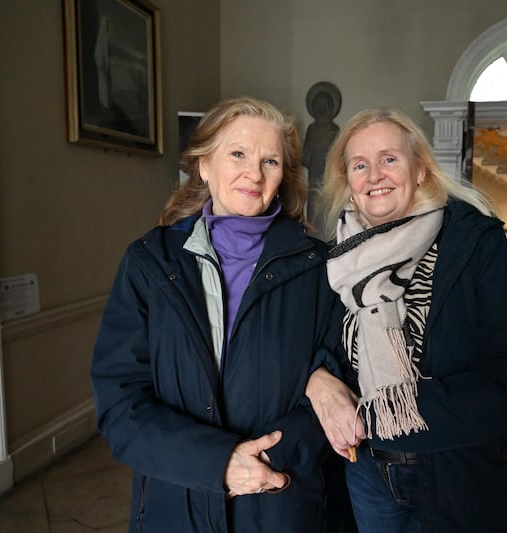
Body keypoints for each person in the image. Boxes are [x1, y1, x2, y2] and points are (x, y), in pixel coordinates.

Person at [91, 97, 346, 532]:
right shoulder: (150, 263)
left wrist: (265, 460)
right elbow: (121, 401)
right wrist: (217, 463)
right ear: (204, 165)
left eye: (270, 161)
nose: (254, 173)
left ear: (283, 176)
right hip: (176, 505)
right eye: (238, 154)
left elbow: (345, 385)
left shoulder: (321, 268)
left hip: (280, 502)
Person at [305, 108, 507, 532]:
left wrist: (389, 417)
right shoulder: (334, 261)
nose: (374, 175)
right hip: (367, 475)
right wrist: (317, 381)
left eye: (389, 159)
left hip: (461, 471)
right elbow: (306, 345)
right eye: (360, 165)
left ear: (420, 169)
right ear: (347, 180)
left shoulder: (475, 245)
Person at [302, 82, 342, 236]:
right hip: (314, 178)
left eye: (323, 104)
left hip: (329, 178)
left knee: (327, 208)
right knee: (313, 209)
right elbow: (305, 157)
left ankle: (328, 237)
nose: (320, 108)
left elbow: (338, 155)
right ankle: (313, 236)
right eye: (317, 104)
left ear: (330, 106)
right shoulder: (312, 129)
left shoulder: (334, 129)